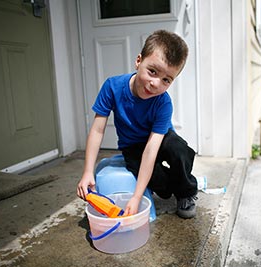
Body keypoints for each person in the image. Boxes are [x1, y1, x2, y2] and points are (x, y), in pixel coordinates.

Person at [77, 30, 198, 219]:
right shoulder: (112, 87)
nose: (155, 83)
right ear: (138, 61)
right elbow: (97, 130)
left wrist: (136, 196)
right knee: (163, 188)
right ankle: (170, 184)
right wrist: (87, 172)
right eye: (152, 71)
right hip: (132, 146)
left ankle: (186, 192)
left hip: (159, 140)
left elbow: (152, 148)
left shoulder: (163, 102)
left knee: (179, 150)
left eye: (166, 80)